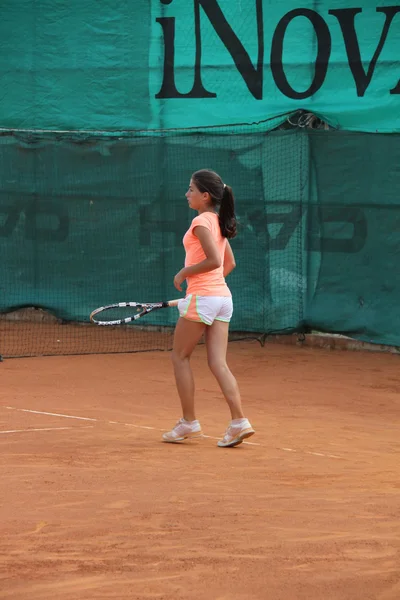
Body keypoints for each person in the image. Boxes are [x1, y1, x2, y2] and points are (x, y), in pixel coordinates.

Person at [162, 169, 255, 448]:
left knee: (180, 357)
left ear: (205, 195)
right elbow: (229, 264)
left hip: (205, 297)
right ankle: (239, 422)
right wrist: (210, 292)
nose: (186, 194)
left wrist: (184, 274)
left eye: (191, 189)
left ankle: (189, 422)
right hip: (221, 299)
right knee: (218, 363)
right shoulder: (219, 221)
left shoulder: (201, 222)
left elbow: (214, 261)